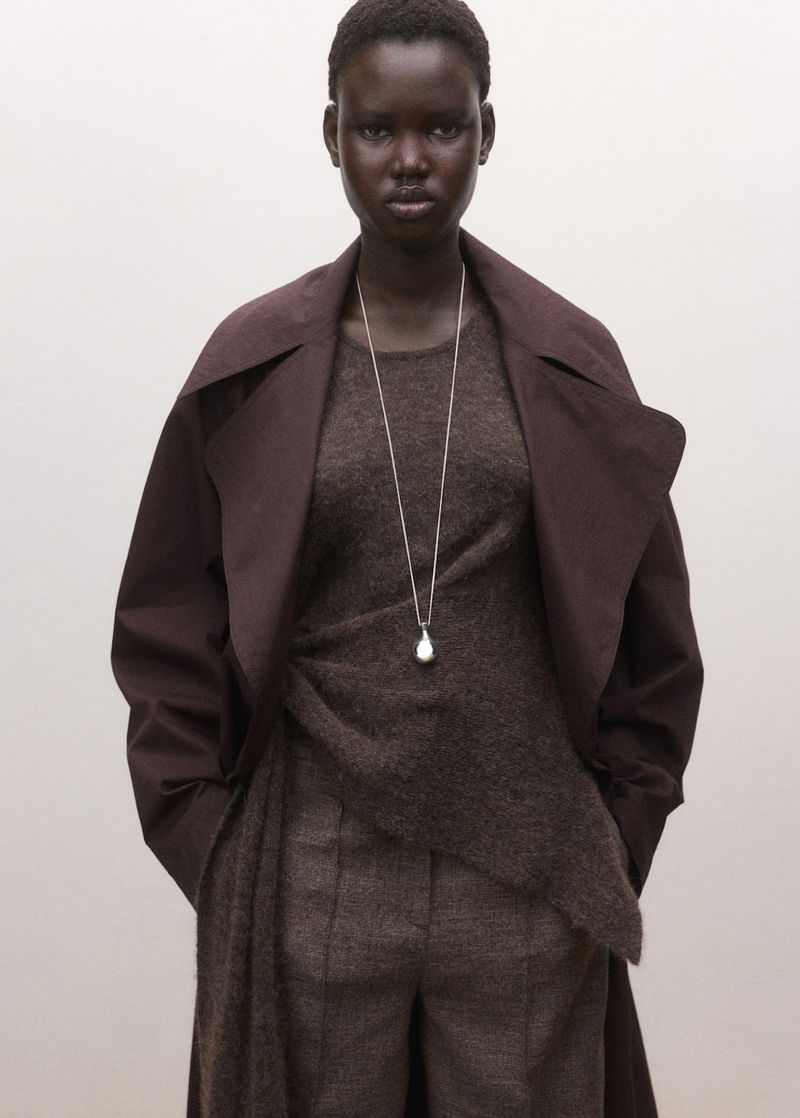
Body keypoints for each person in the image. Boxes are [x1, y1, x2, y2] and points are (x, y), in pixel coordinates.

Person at [111, 1, 703, 1115]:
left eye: (442, 125)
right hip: (312, 863)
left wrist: (615, 830)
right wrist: (212, 843)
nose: (410, 159)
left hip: (527, 868)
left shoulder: (568, 358)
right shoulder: (253, 362)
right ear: (331, 134)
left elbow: (650, 625)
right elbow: (164, 616)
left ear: (487, 132)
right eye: (378, 127)